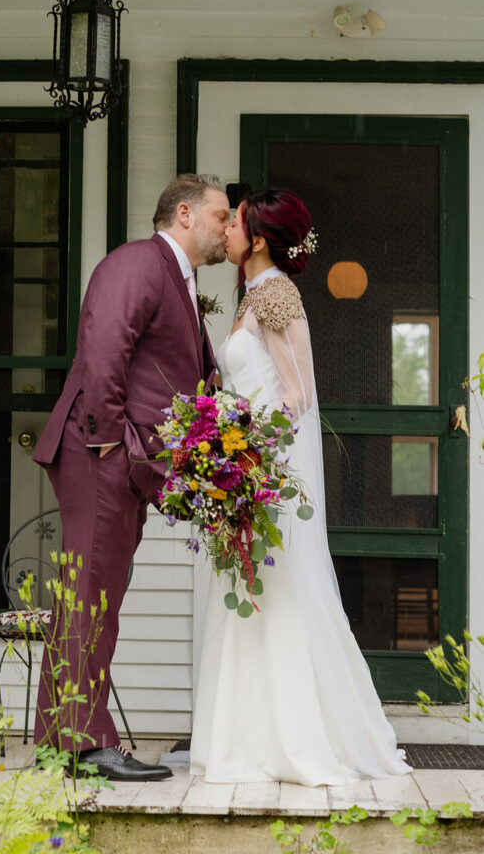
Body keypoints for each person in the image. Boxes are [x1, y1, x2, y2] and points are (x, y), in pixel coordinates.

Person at [191, 187, 412, 785]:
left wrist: (246, 455)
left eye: (234, 223)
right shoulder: (250, 295)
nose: (227, 232)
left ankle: (291, 741)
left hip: (265, 475)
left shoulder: (277, 294)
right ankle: (245, 739)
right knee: (253, 602)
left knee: (278, 599)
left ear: (257, 239)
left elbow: (297, 397)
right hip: (245, 473)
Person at [33, 174, 230, 782]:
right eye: (222, 216)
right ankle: (85, 746)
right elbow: (102, 351)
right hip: (100, 454)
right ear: (185, 214)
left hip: (124, 461)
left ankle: (63, 742)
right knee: (89, 595)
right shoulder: (136, 263)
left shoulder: (177, 275)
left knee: (93, 598)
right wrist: (110, 442)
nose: (228, 228)